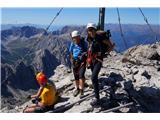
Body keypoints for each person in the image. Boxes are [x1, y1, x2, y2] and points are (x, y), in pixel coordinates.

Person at [86, 23, 115, 107]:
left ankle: (97, 99)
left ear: (95, 30)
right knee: (94, 77)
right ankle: (96, 89)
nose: (90, 31)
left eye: (91, 30)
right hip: (92, 59)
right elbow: (90, 47)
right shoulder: (90, 38)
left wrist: (105, 53)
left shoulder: (101, 37)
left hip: (98, 59)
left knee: (93, 77)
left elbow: (110, 45)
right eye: (89, 30)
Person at [69, 30, 88, 98]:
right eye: (74, 38)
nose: (75, 39)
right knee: (76, 76)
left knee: (81, 75)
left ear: (79, 37)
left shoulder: (83, 43)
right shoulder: (73, 44)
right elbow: (71, 51)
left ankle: (81, 91)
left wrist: (84, 56)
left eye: (76, 37)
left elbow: (87, 51)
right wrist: (71, 59)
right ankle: (77, 89)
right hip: (75, 62)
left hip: (82, 62)